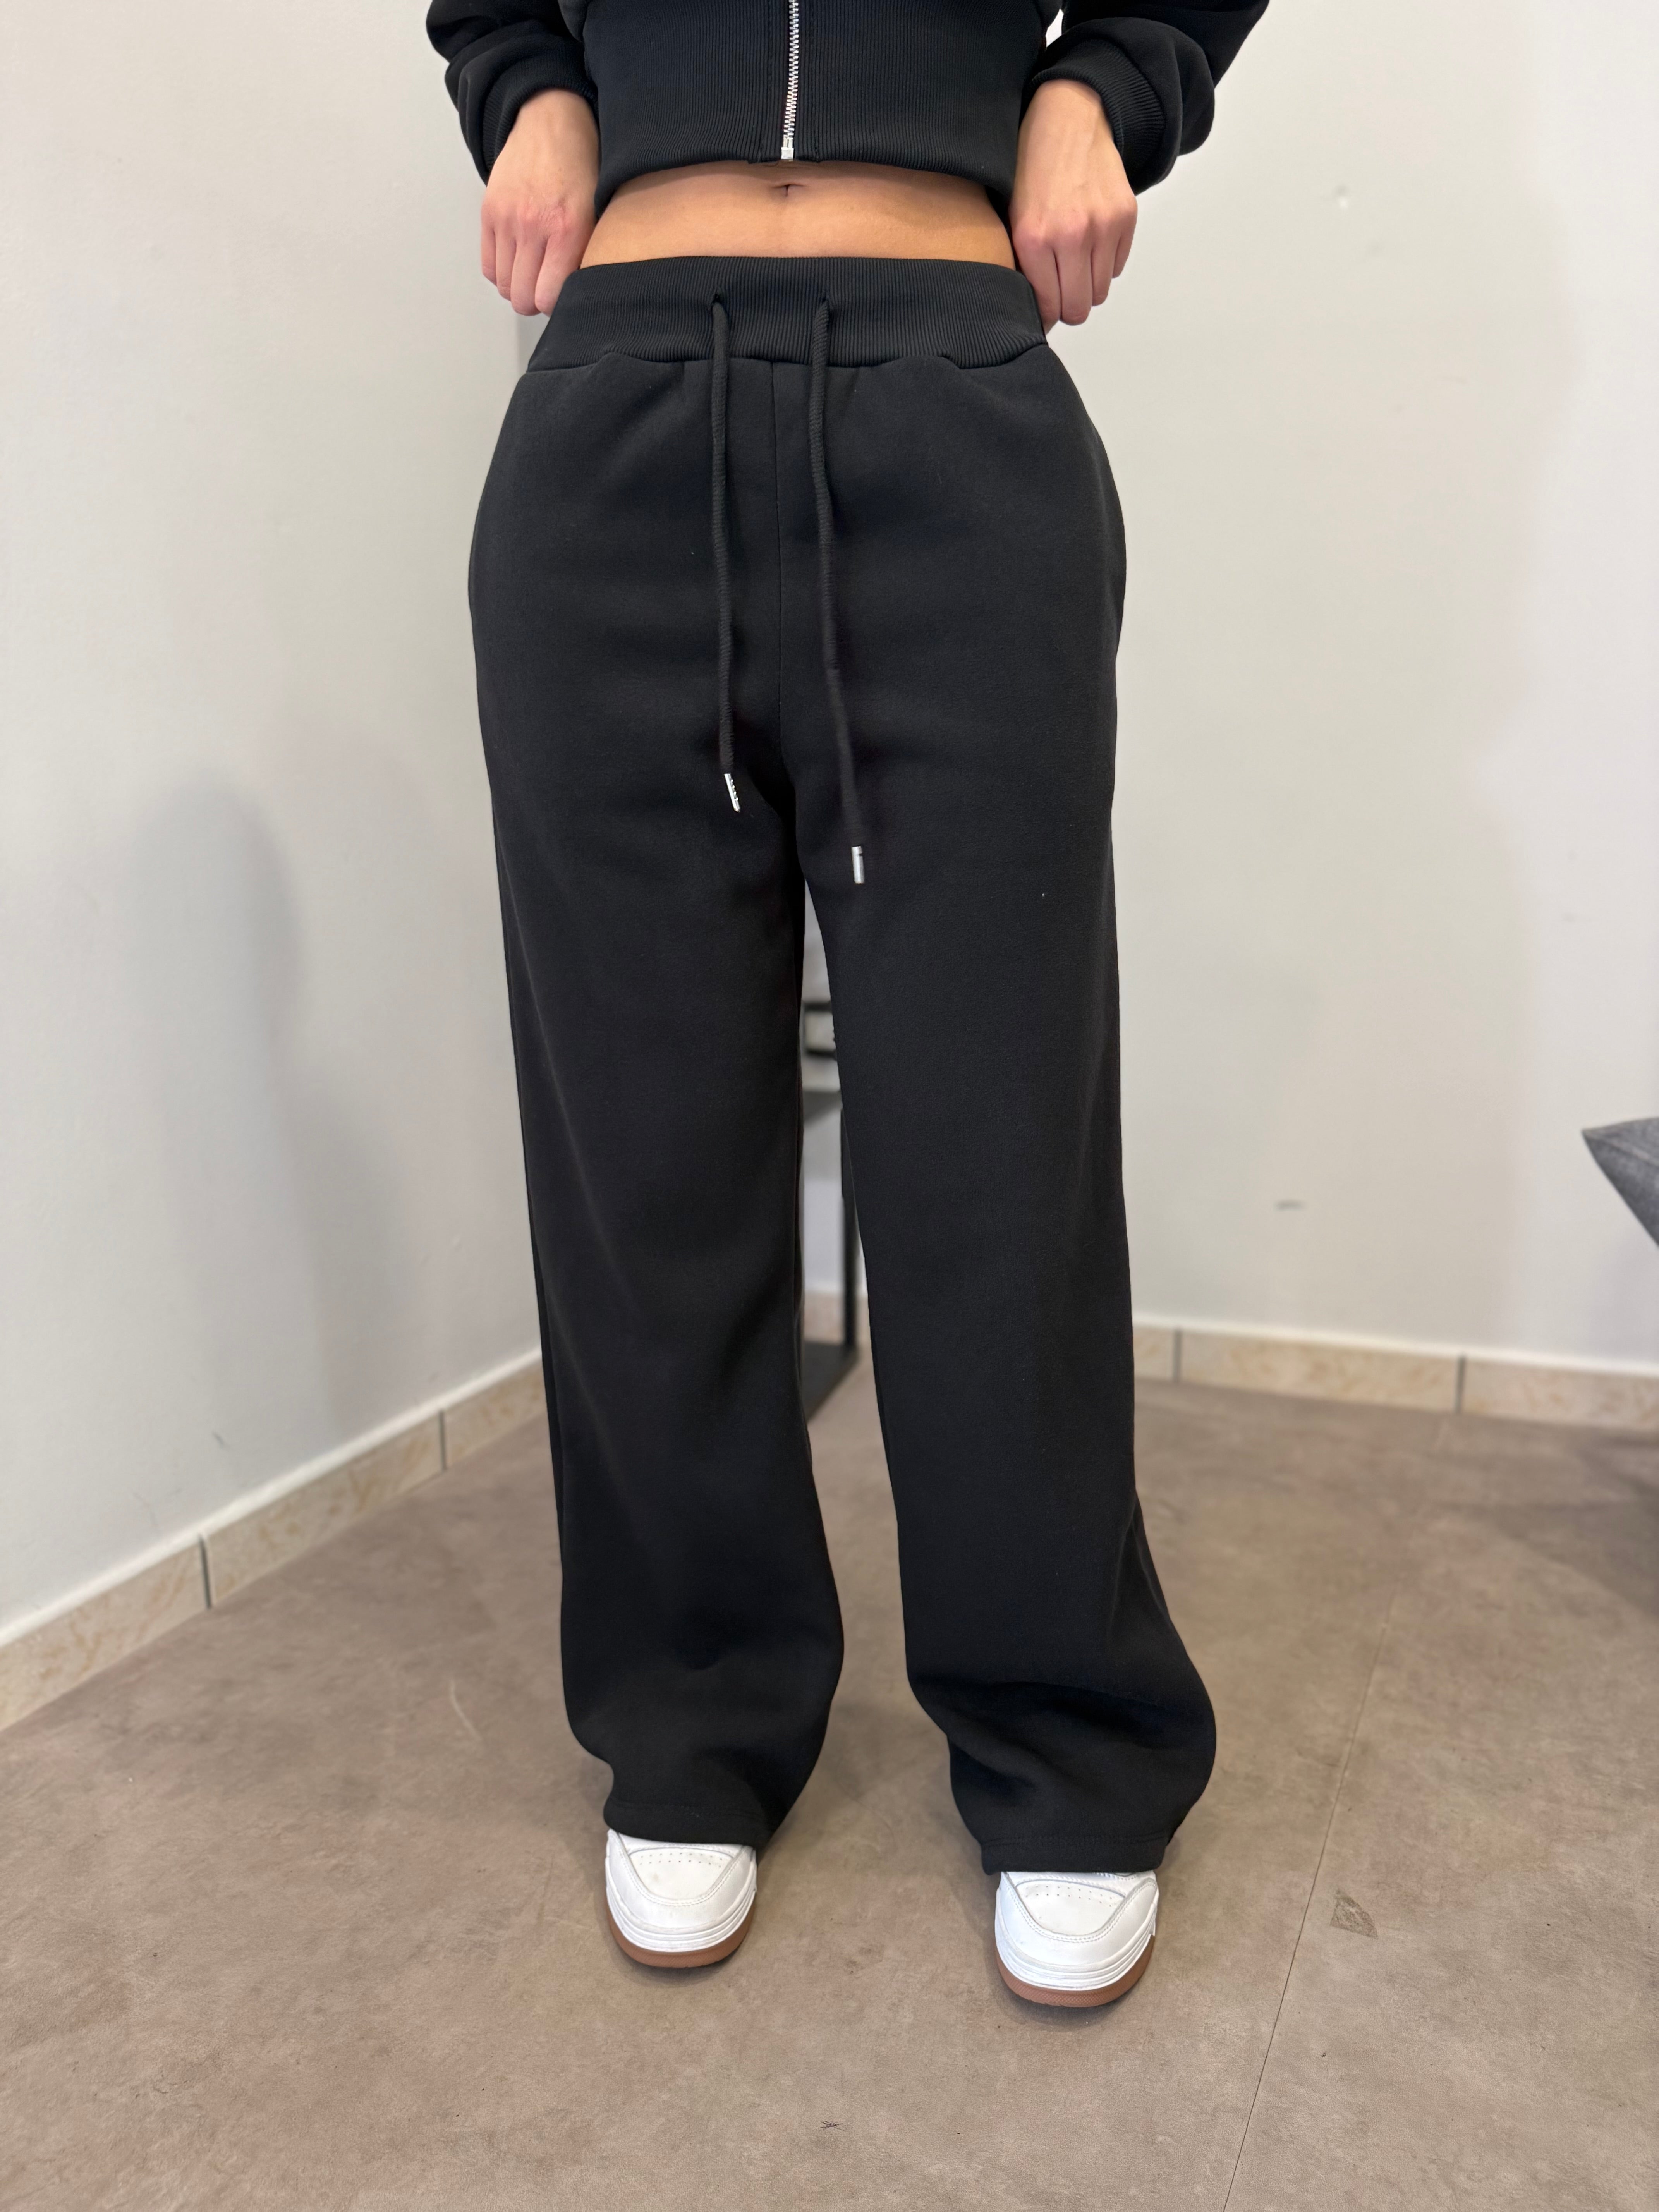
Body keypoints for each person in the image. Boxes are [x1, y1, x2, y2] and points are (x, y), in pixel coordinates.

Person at [426, 0, 1266, 2009]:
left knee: (995, 1150)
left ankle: (1064, 1737)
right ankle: (694, 1710)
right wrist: (526, 86)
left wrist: (1108, 85)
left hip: (949, 414)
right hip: (613, 423)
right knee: (642, 1153)